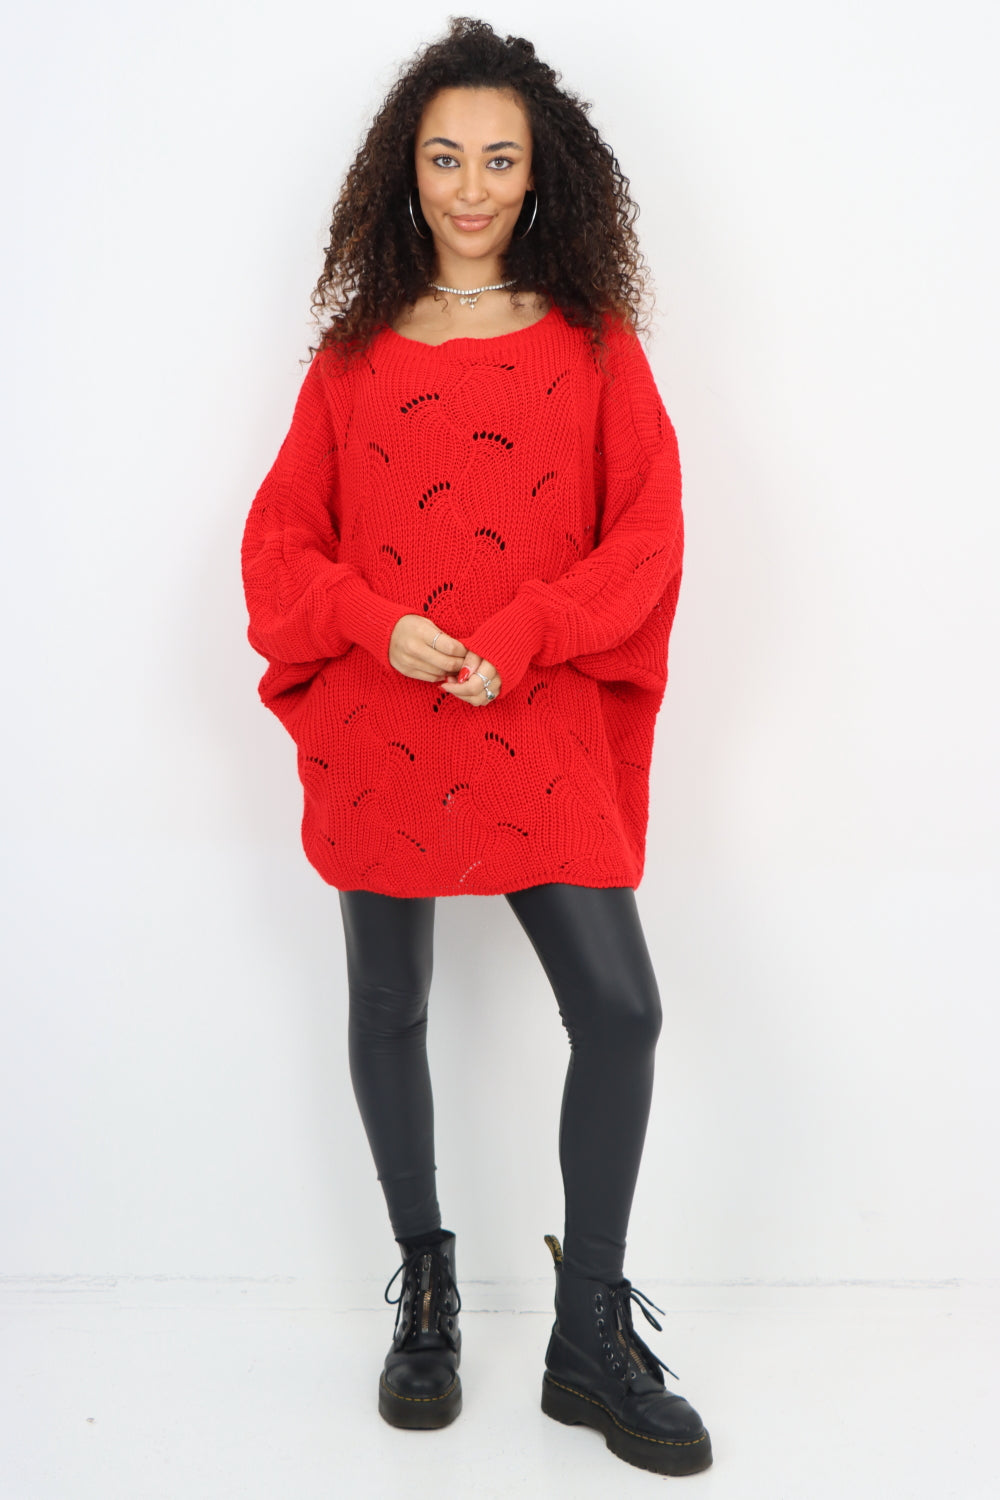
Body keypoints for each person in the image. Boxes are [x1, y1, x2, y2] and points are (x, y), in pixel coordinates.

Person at [240, 16, 712, 1478]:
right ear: (406, 170)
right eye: (445, 157)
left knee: (619, 1010)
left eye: (499, 160)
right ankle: (427, 1287)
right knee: (389, 1004)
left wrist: (540, 625)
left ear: (540, 173)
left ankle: (587, 1336)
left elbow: (648, 537)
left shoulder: (593, 348)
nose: (470, 187)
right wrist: (372, 624)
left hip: (534, 721)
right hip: (385, 728)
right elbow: (279, 546)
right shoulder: (351, 361)